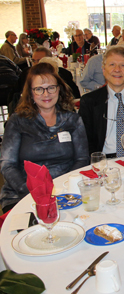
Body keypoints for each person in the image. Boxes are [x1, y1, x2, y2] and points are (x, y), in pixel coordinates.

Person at [0, 63, 89, 213]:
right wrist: (31, 192)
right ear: (30, 93)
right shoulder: (17, 121)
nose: (46, 94)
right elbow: (7, 165)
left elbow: (82, 159)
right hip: (22, 194)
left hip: (65, 194)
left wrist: (64, 189)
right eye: (39, 89)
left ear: (59, 89)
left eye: (51, 88)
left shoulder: (73, 120)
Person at [12, 47, 80, 102]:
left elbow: (75, 95)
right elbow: (13, 95)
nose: (36, 64)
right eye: (33, 61)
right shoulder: (26, 74)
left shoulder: (63, 74)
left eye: (39, 60)